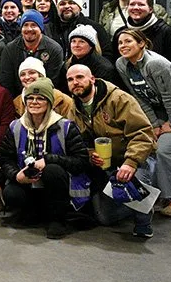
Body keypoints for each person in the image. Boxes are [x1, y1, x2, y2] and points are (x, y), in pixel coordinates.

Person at [115, 27, 171, 217]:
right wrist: (154, 125)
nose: (123, 46)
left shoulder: (155, 64)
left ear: (142, 43)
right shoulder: (122, 64)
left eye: (128, 41)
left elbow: (169, 96)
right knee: (153, 147)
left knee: (167, 149)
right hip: (162, 108)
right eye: (120, 43)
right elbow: (138, 97)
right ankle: (162, 196)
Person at [66, 63, 158, 240]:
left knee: (135, 184)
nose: (75, 82)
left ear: (92, 79)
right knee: (104, 218)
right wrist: (90, 153)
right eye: (70, 79)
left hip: (137, 157)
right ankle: (135, 201)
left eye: (80, 77)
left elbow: (143, 133)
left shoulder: (119, 99)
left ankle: (143, 220)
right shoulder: (74, 108)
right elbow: (77, 140)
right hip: (108, 162)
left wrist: (131, 163)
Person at [0, 77, 90, 238]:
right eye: (30, 98)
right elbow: (5, 158)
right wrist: (16, 175)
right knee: (11, 193)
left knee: (52, 170)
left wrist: (48, 159)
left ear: (49, 102)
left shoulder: (66, 126)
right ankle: (35, 212)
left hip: (59, 186)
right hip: (29, 183)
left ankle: (57, 219)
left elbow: (81, 161)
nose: (34, 102)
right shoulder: (15, 126)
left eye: (40, 98)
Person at [0, 10, 64, 94]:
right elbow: (6, 81)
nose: (29, 29)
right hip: (17, 96)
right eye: (25, 25)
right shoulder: (10, 49)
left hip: (45, 94)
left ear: (41, 28)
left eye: (33, 25)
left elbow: (53, 81)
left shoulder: (54, 49)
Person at [123, 0, 171, 71]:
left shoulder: (166, 32)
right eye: (132, 4)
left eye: (141, 4)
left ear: (150, 9)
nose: (136, 7)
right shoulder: (121, 33)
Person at [56, 25, 117, 92]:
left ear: (91, 46)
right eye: (73, 41)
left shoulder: (104, 68)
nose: (76, 45)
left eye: (82, 42)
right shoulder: (67, 65)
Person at [13, 57, 78, 119]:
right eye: (22, 74)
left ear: (41, 75)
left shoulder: (63, 100)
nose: (27, 77)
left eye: (32, 73)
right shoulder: (16, 103)